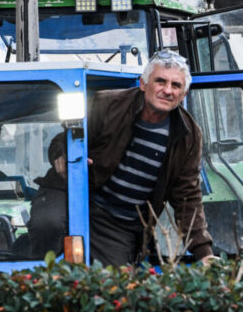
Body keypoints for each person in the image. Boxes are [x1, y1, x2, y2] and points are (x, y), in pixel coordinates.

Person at [27, 49, 214, 266]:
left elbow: (187, 197)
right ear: (143, 84)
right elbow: (63, 140)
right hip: (71, 193)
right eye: (160, 81)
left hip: (118, 223)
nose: (167, 90)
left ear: (183, 95)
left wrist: (204, 252)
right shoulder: (108, 104)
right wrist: (63, 156)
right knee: (47, 225)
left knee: (114, 286)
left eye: (176, 86)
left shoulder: (188, 136)